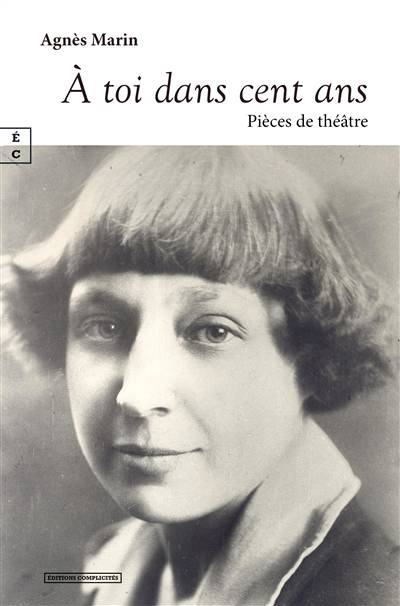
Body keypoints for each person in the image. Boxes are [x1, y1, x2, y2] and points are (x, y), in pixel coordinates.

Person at [2, 147, 398, 605]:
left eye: (212, 331)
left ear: (310, 358)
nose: (138, 394)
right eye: (104, 327)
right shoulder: (113, 567)